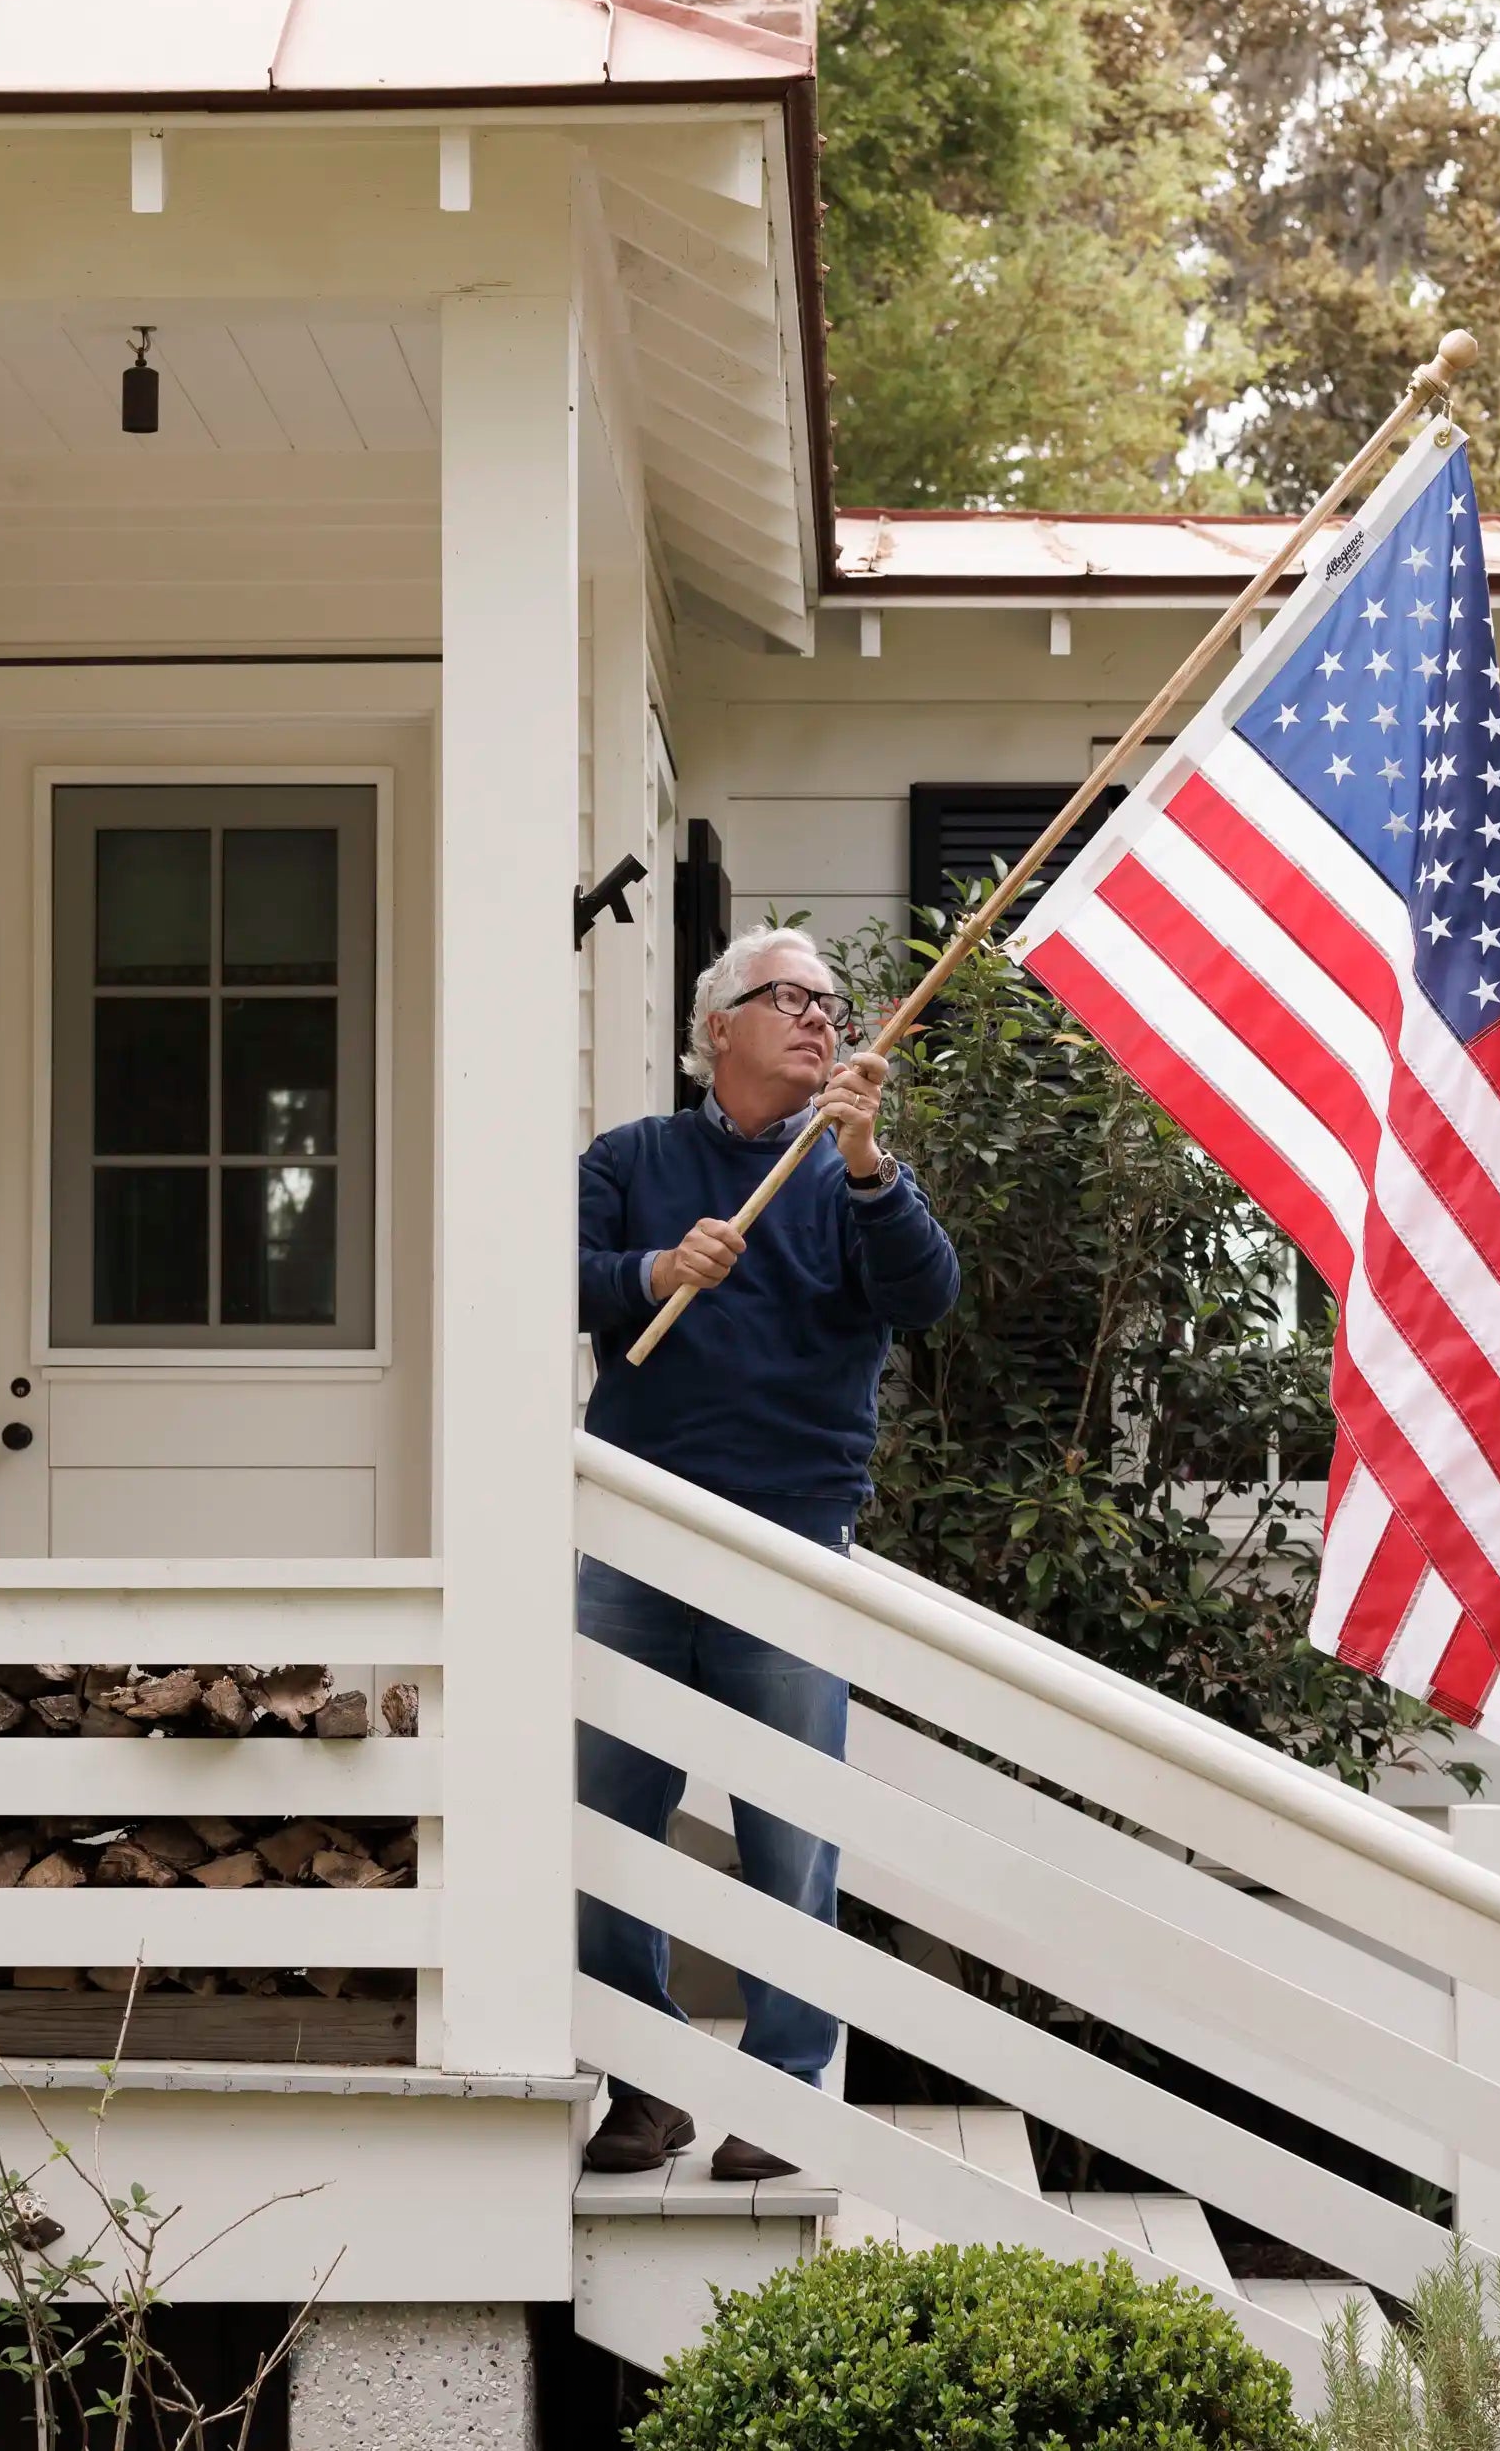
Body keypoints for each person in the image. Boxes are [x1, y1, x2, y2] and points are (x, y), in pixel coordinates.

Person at [574, 925, 961, 2179]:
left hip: (792, 1543)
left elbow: (924, 1295)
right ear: (715, 1028)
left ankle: (783, 2097)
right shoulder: (634, 1159)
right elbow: (552, 1276)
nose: (819, 1018)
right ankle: (643, 2089)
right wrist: (650, 1267)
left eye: (831, 1004)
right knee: (604, 1824)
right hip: (634, 1535)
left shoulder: (848, 1176)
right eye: (788, 998)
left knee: (788, 1836)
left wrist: (864, 1162)